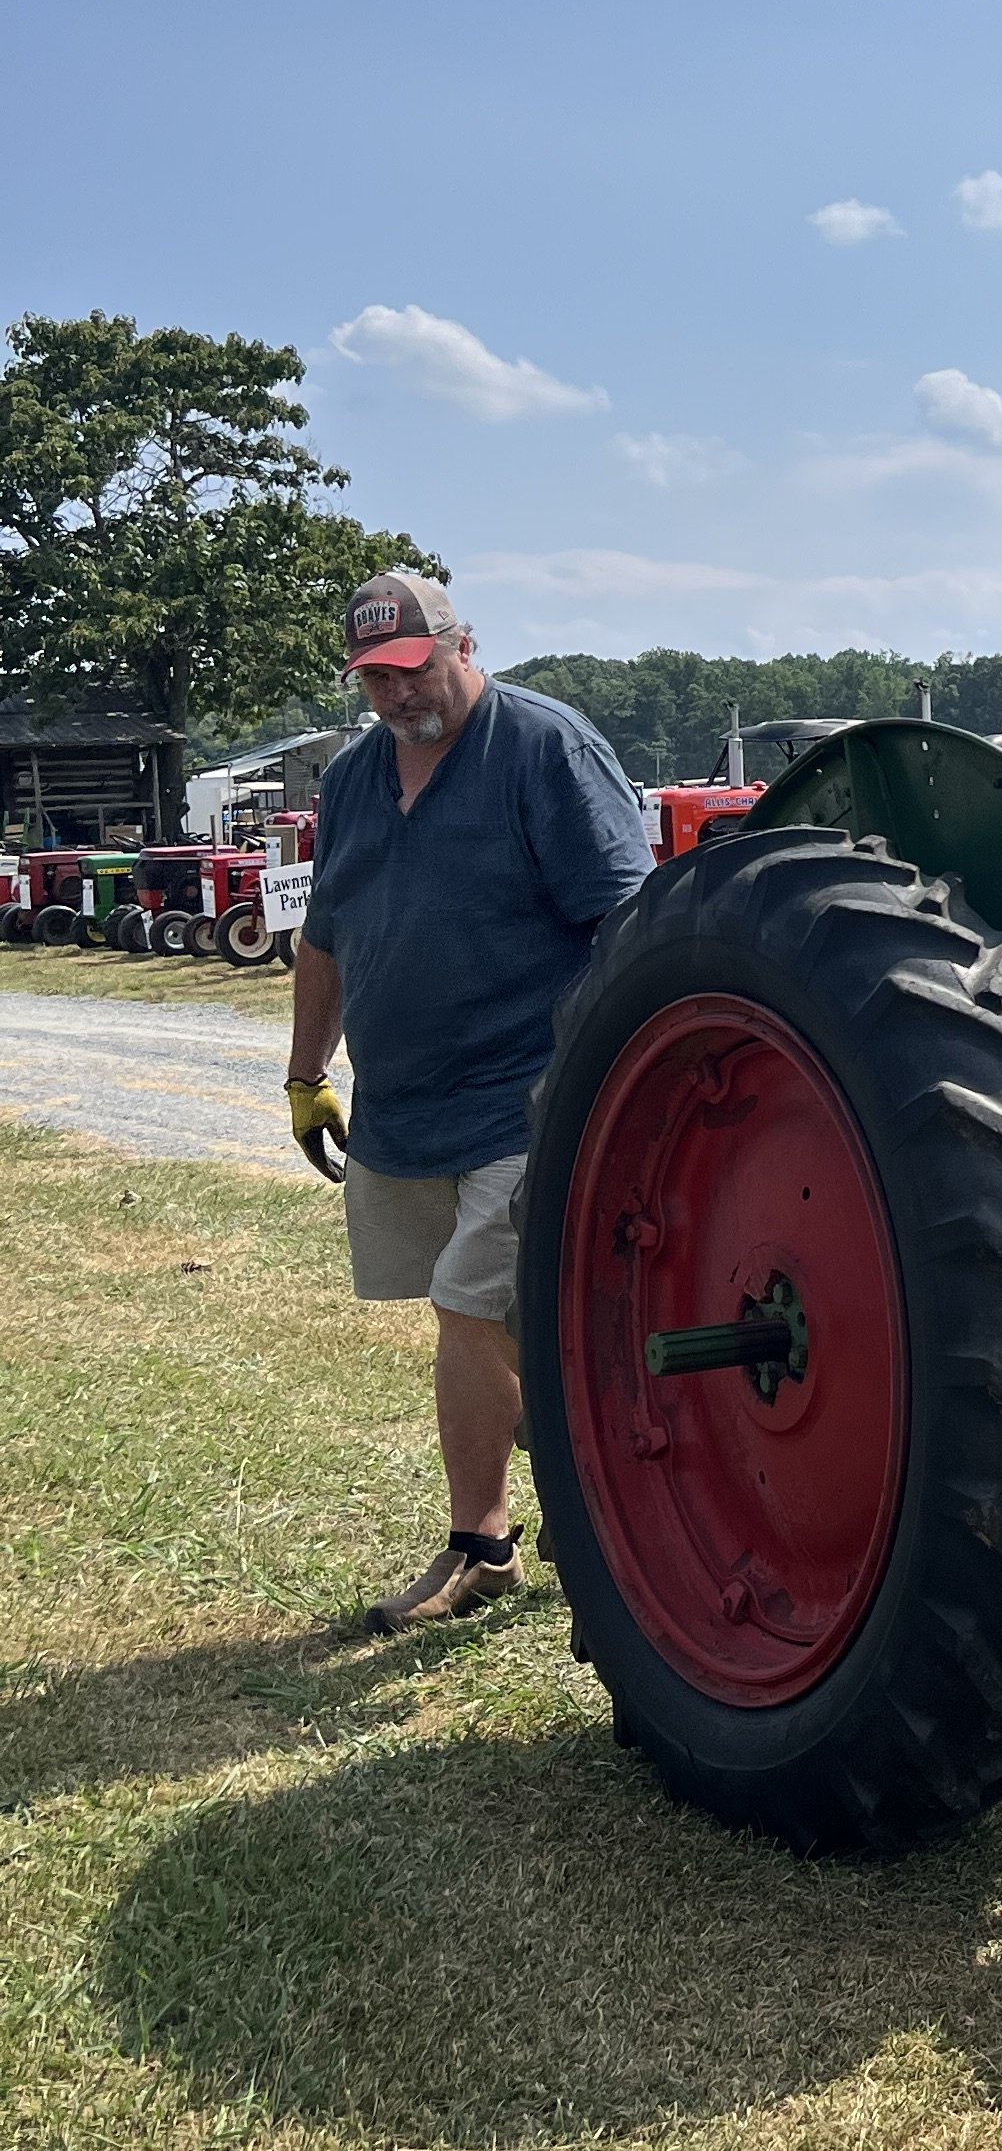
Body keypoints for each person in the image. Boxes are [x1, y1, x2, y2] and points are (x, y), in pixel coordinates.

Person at [287, 567, 654, 1635]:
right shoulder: (355, 779)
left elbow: (623, 932)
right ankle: (602, 1496)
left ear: (462, 642)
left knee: (468, 1305)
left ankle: (483, 1542)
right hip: (404, 1106)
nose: (401, 698)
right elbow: (324, 943)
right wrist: (308, 1076)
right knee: (500, 1330)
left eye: (414, 669)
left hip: (530, 1099)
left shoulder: (545, 749)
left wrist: (605, 1091)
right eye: (376, 681)